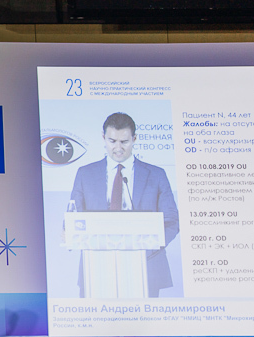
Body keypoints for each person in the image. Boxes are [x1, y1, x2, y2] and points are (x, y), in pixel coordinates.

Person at [69, 112, 179, 297]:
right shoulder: (85, 174)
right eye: (112, 141)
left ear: (134, 139)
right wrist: (69, 231)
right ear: (103, 138)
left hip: (145, 264)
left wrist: (148, 247)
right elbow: (73, 218)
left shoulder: (157, 175)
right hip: (96, 266)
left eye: (124, 142)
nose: (118, 148)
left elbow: (172, 221)